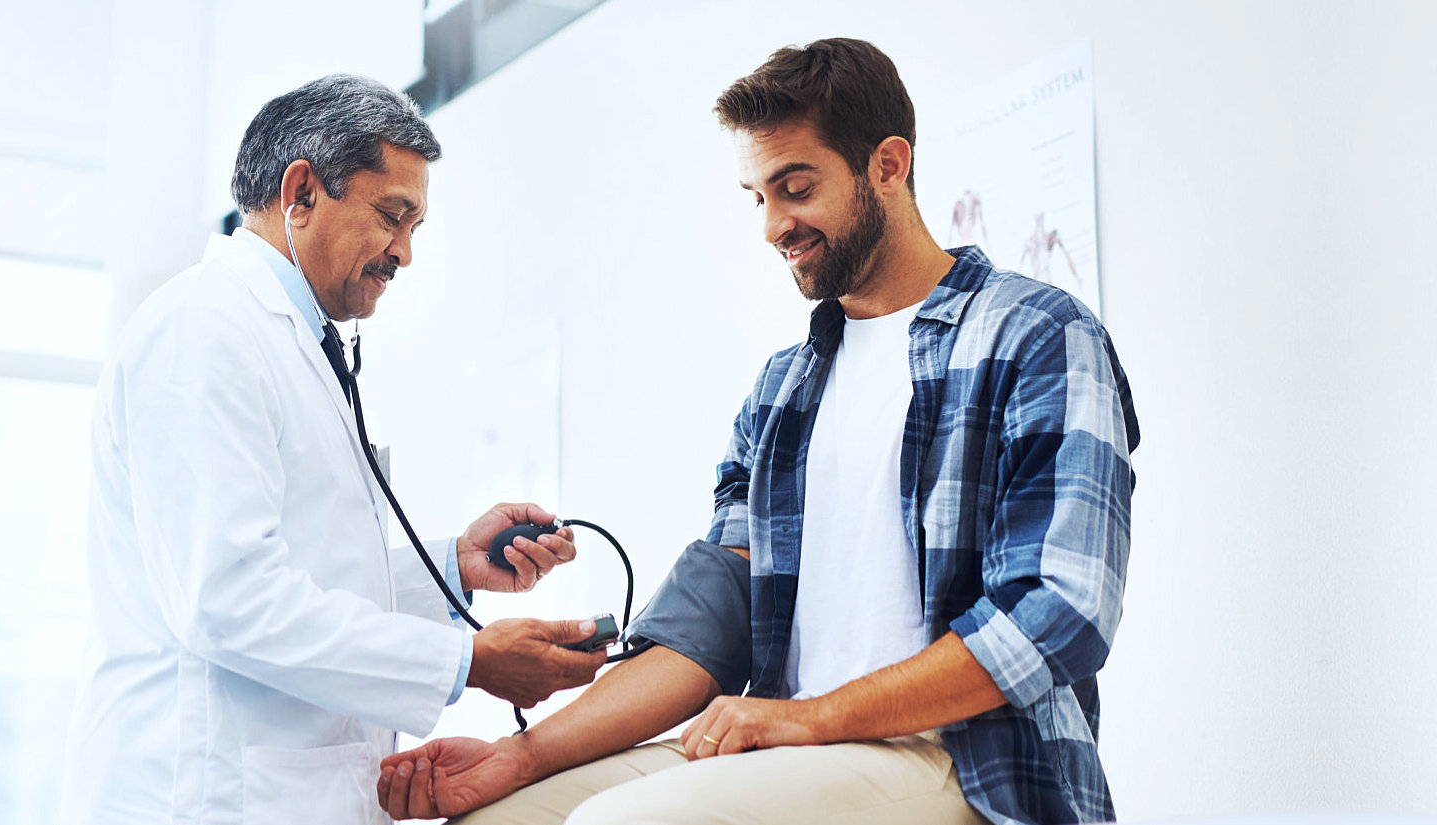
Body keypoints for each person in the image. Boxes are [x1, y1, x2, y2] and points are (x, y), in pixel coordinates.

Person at [378, 38, 1139, 825]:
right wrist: (517, 757)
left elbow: (1057, 613)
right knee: (498, 819)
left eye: (796, 186)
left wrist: (808, 717)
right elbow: (708, 630)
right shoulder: (784, 390)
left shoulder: (1038, 335)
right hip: (793, 741)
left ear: (888, 164)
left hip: (964, 755)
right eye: (757, 196)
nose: (775, 225)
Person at [62, 74, 609, 825]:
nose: (405, 253)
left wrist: (450, 567)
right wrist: (468, 663)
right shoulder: (204, 331)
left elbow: (308, 572)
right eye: (394, 216)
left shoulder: (292, 341)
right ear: (302, 192)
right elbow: (228, 598)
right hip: (201, 791)